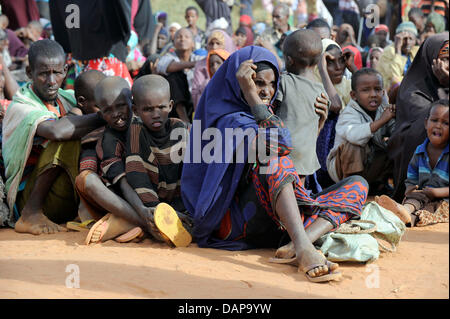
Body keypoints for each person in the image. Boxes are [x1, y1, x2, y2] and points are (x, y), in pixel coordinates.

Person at [181, 46, 368, 283]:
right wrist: (250, 96)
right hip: (238, 222)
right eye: (257, 83)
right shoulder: (229, 120)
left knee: (358, 184)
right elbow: (277, 145)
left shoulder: (263, 114)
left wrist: (316, 129)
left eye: (272, 84)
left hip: (277, 220)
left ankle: (295, 244)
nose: (267, 91)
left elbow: (306, 171)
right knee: (273, 159)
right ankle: (304, 247)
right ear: (238, 82)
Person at [2, 39, 105, 234]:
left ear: (65, 71)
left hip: (64, 194)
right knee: (68, 131)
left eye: (57, 73)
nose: (51, 81)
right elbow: (56, 131)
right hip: (28, 197)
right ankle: (30, 214)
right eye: (43, 74)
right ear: (29, 73)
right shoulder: (21, 106)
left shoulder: (66, 97)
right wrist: (105, 116)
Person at [125, 74, 192, 246]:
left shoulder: (180, 128)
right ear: (135, 110)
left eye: (161, 107)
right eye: (148, 109)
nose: (156, 114)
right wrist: (157, 211)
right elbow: (136, 174)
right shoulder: (135, 131)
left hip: (179, 200)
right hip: (150, 203)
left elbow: (191, 173)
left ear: (170, 106)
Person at [388, 33, 449, 202]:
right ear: (430, 59)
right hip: (418, 164)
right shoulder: (412, 90)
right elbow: (431, 124)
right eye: (445, 59)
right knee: (434, 126)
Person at [377, 100, 448, 227]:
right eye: (434, 120)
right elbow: (412, 177)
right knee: (415, 198)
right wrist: (410, 189)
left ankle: (408, 218)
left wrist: (437, 192)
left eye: (446, 123)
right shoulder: (420, 151)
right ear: (426, 123)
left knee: (431, 209)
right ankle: (404, 210)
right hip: (424, 194)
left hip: (445, 201)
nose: (438, 125)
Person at [274, 29, 329, 183]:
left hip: (282, 154)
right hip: (305, 155)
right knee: (299, 192)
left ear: (289, 60)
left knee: (279, 192)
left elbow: (270, 111)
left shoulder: (285, 82)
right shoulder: (321, 91)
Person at [327, 68, 395, 193]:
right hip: (344, 169)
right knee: (354, 146)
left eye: (378, 89)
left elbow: (393, 129)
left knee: (394, 144)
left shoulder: (383, 110)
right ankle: (351, 189)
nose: (373, 94)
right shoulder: (349, 113)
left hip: (370, 164)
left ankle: (379, 184)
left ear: (383, 92)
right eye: (366, 90)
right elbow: (354, 135)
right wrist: (381, 122)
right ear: (354, 95)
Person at [315, 38, 356, 188]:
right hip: (323, 151)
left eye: (341, 61)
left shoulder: (347, 83)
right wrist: (322, 70)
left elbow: (373, 95)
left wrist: (353, 68)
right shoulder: (315, 85)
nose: (339, 67)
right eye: (330, 62)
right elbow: (336, 105)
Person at [156, 28, 203, 123]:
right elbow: (164, 67)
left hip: (195, 103)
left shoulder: (198, 58)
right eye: (179, 37)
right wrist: (195, 64)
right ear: (173, 43)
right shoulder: (168, 57)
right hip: (173, 107)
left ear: (193, 43)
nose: (182, 39)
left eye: (186, 37)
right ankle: (184, 120)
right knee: (175, 74)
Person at [376, 22, 419, 103]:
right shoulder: (388, 51)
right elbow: (394, 78)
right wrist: (398, 50)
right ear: (397, 40)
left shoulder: (416, 51)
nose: (407, 42)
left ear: (415, 40)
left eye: (411, 39)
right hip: (390, 95)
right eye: (404, 39)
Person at [191, 29, 235, 109]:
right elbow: (195, 92)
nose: (214, 47)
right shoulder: (200, 65)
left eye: (218, 43)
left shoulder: (233, 64)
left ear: (226, 45)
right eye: (211, 43)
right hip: (203, 107)